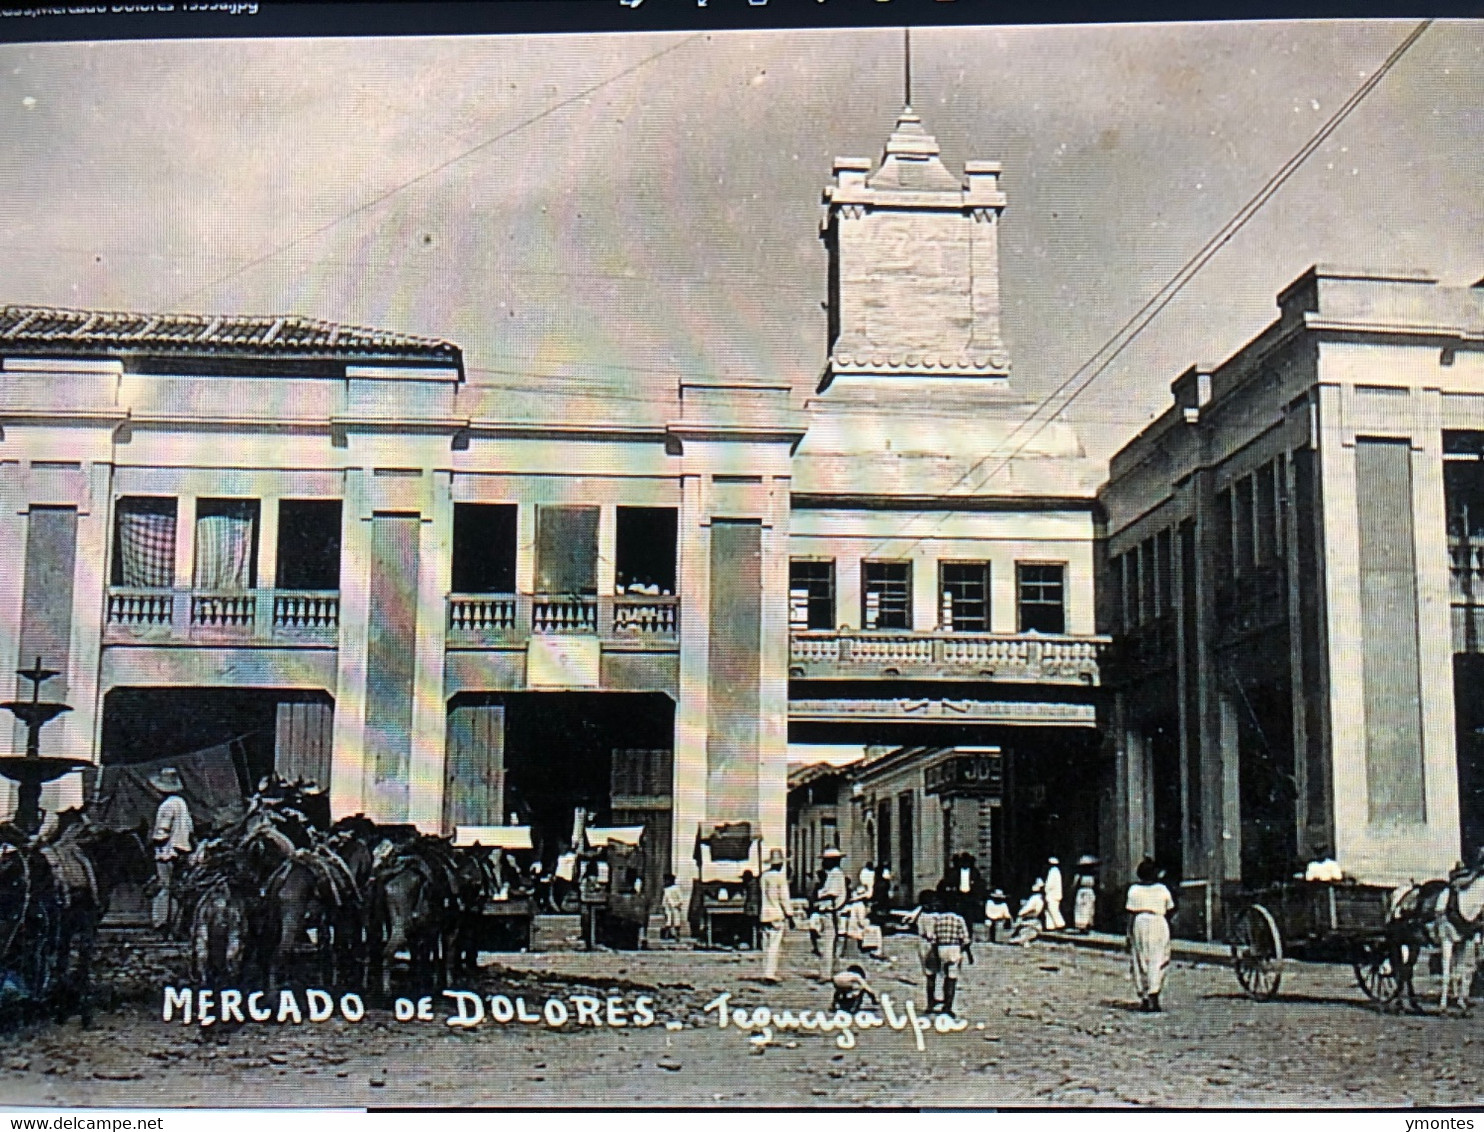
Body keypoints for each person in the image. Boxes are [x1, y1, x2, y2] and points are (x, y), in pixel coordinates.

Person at [1126, 856, 1176, 1012]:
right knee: (1159, 957)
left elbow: (1130, 914)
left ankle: (1145, 996)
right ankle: (1154, 993)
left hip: (1140, 923)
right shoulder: (1162, 889)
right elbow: (1171, 909)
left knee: (1140, 959)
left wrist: (1128, 934)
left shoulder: (1134, 890)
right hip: (1158, 922)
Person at [149, 767, 194, 933]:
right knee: (176, 888)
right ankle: (176, 922)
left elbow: (162, 831)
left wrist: (154, 842)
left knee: (164, 887)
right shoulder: (182, 804)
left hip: (166, 852)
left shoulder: (166, 806)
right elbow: (189, 828)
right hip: (182, 850)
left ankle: (161, 922)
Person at [918, 890, 973, 1016]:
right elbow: (965, 938)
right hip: (951, 948)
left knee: (932, 975)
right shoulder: (958, 919)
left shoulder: (935, 919)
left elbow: (933, 936)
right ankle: (947, 1006)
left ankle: (930, 1003)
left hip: (936, 948)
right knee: (951, 977)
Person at [759, 848, 793, 982]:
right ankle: (770, 974)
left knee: (766, 945)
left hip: (765, 913)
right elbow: (784, 898)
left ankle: (766, 971)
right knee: (774, 946)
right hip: (776, 913)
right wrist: (789, 914)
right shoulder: (780, 878)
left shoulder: (764, 876)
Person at [816, 847, 848, 982]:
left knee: (827, 943)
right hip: (829, 911)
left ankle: (826, 974)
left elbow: (833, 892)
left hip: (831, 911)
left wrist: (820, 893)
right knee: (829, 942)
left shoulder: (836, 874)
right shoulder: (832, 874)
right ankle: (830, 971)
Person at [1009, 879, 1046, 945]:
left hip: (1029, 920)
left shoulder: (1034, 898)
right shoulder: (1041, 898)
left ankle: (1022, 939)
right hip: (1034, 921)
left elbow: (1027, 909)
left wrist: (1020, 913)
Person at [1072, 855, 1099, 933]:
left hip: (1083, 892)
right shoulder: (1094, 875)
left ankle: (1084, 925)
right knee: (1086, 908)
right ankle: (1085, 925)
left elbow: (1074, 885)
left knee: (1084, 909)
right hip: (1088, 892)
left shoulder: (1079, 875)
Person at [1042, 856, 1067, 932]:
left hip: (1052, 894)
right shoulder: (1057, 871)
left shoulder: (1053, 871)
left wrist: (1045, 888)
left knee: (1053, 910)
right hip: (1055, 894)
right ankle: (1050, 926)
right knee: (1049, 910)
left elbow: (1050, 884)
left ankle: (1060, 924)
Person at [660, 872, 685, 941]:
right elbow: (665, 898)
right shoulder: (666, 889)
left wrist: (678, 904)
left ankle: (677, 935)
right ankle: (667, 935)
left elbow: (681, 898)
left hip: (675, 906)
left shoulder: (676, 888)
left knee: (677, 920)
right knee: (669, 920)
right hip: (668, 906)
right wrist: (663, 904)